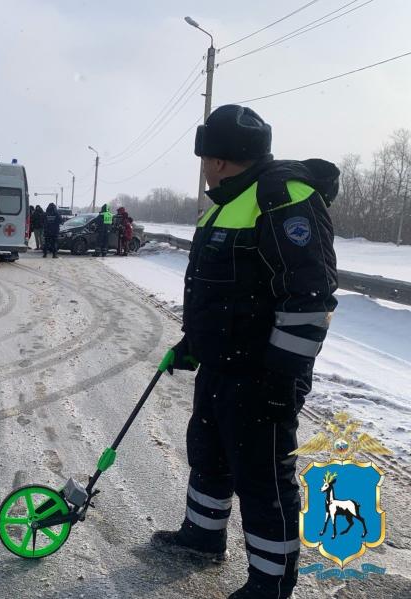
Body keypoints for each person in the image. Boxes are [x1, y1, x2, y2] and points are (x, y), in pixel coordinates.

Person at [152, 104, 339, 599]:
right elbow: (222, 290)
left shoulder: (281, 197)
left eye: (205, 155)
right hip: (221, 366)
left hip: (263, 373)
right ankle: (202, 536)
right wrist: (194, 343)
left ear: (216, 158)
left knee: (262, 477)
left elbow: (310, 297)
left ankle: (271, 582)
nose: (203, 166)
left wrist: (282, 378)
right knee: (208, 454)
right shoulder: (225, 202)